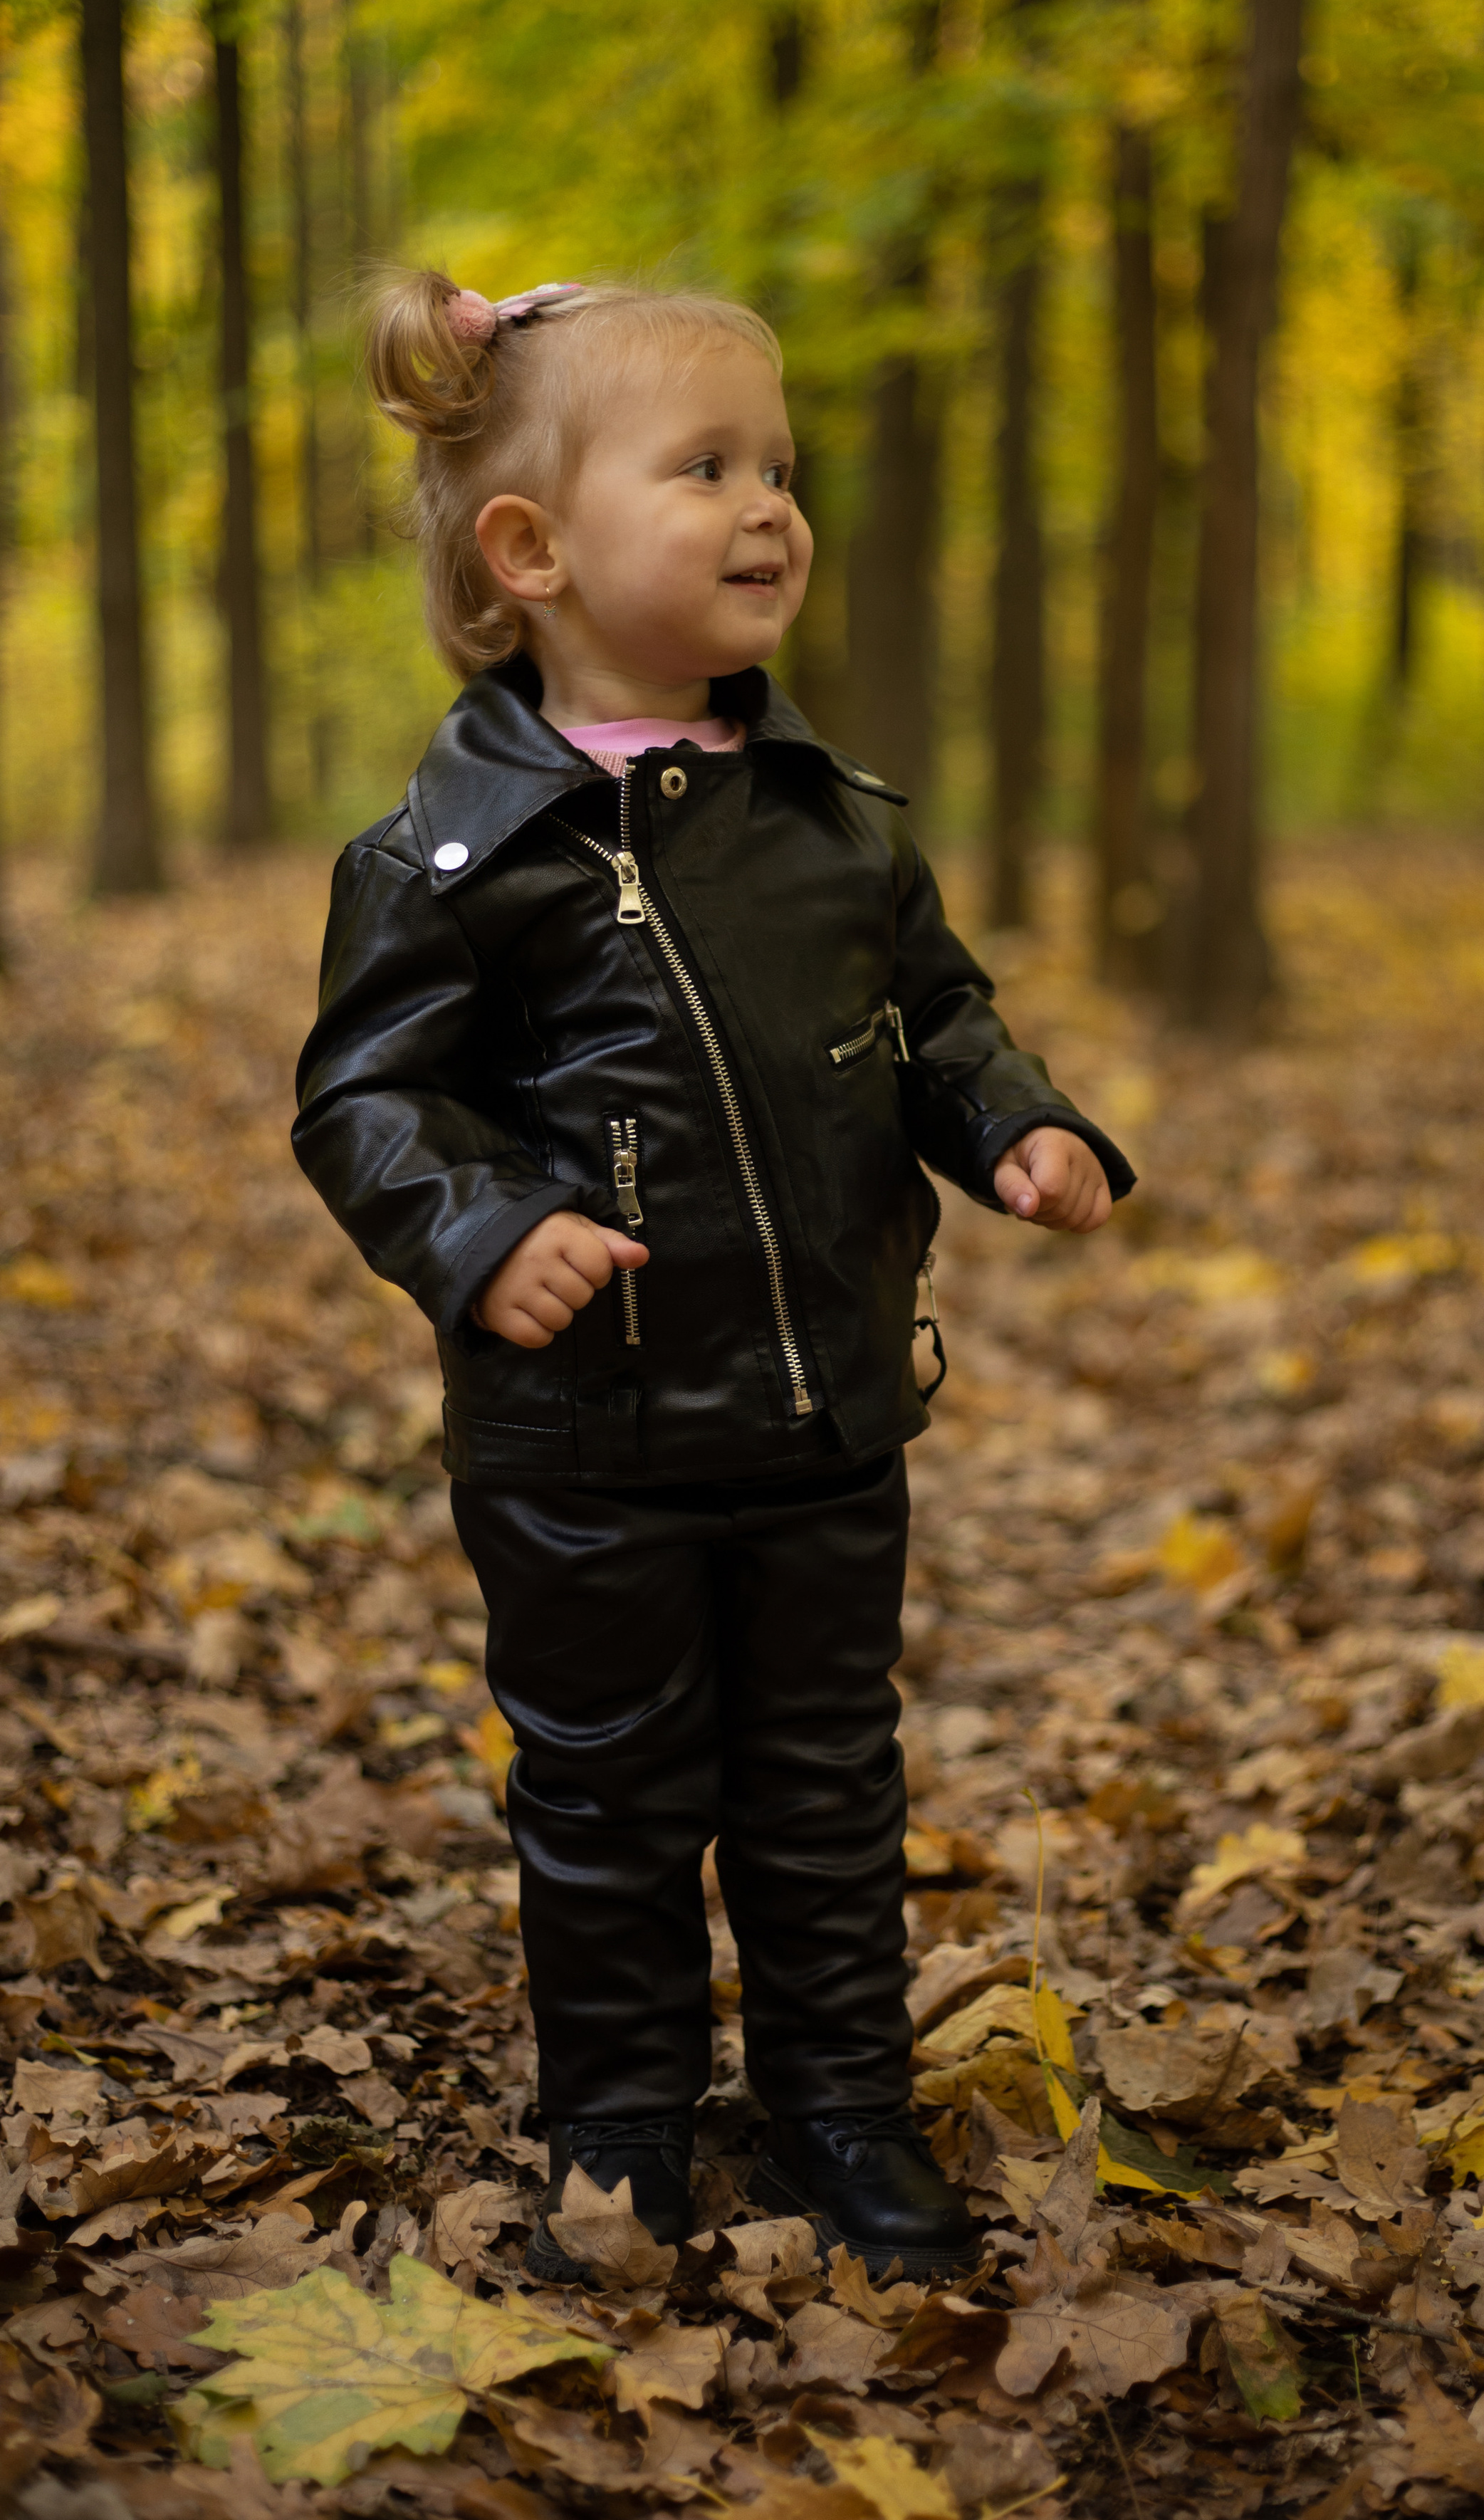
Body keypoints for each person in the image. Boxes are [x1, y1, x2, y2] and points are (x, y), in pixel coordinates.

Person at [293, 272, 1134, 2279]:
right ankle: (620, 2119)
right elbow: (363, 1095)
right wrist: (481, 1229)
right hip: (583, 1441)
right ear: (536, 548)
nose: (771, 505)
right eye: (708, 469)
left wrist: (1015, 1118)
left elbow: (935, 1012)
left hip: (829, 1411)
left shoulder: (832, 825)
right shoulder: (452, 855)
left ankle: (845, 2099)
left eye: (781, 466)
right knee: (604, 1797)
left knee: (830, 1785)